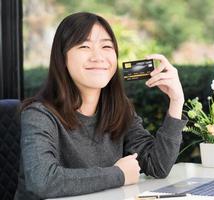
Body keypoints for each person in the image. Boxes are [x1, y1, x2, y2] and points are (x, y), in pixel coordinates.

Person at [14, 12, 187, 200]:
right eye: (84, 46)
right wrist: (118, 174)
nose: (98, 57)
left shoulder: (120, 109)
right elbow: (42, 181)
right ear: (62, 58)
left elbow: (157, 166)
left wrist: (176, 102)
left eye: (106, 46)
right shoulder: (39, 114)